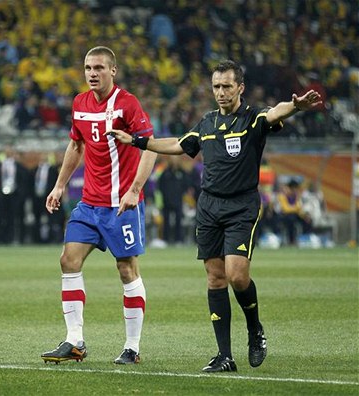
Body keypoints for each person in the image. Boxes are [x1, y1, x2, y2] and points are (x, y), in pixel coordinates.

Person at [108, 60, 322, 372]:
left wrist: (296, 105)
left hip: (241, 206)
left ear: (240, 88)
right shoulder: (206, 124)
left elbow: (275, 112)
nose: (220, 92)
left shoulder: (252, 118)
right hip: (209, 207)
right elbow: (179, 145)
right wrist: (137, 141)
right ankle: (225, 356)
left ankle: (254, 329)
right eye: (216, 87)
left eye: (226, 86)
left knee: (236, 275)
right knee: (215, 277)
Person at [41, 46, 157, 365]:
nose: (92, 73)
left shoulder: (128, 104)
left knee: (126, 269)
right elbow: (76, 144)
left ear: (113, 71)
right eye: (88, 67)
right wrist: (60, 185)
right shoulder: (79, 103)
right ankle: (74, 341)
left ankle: (132, 347)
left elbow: (151, 148)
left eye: (99, 68)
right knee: (68, 260)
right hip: (89, 204)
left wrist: (135, 190)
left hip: (122, 205)